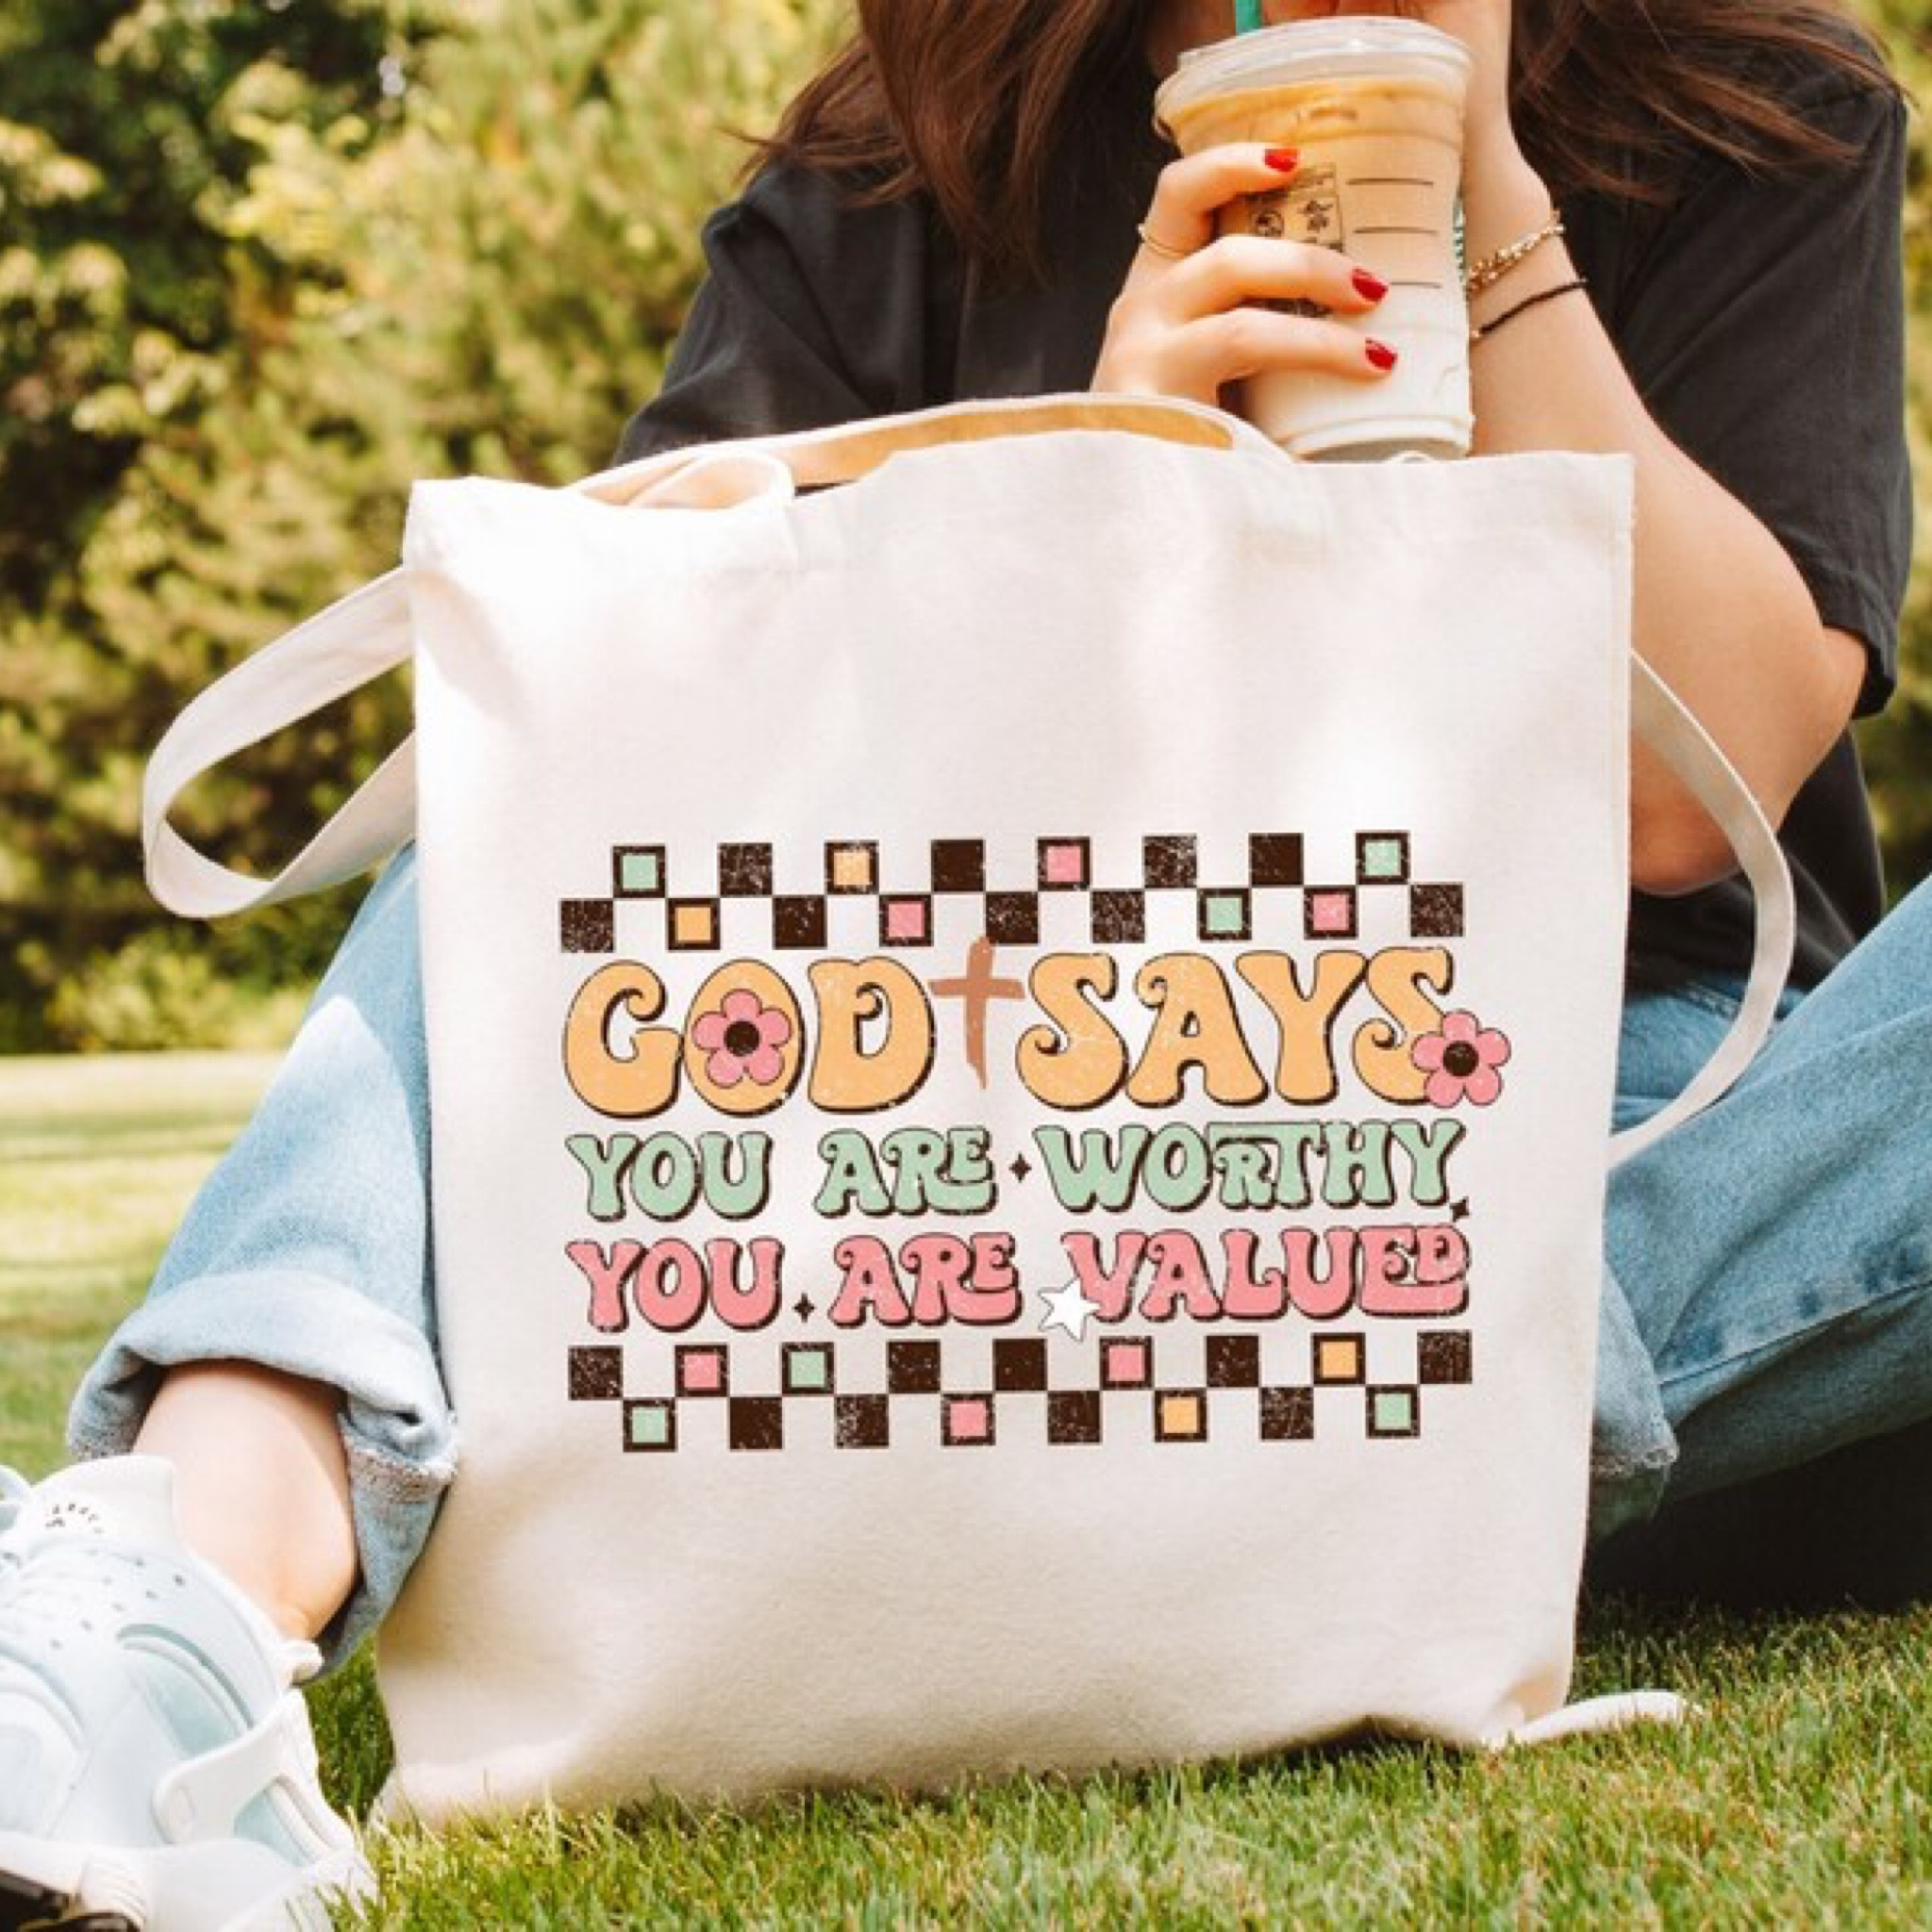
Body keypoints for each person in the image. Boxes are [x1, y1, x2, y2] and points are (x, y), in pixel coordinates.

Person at [0, 0, 1916, 1922]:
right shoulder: (892, 172)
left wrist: (1475, 179)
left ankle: (1313, 1417)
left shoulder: (1759, 110)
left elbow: (1698, 792)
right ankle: (178, 1594)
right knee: (554, 799)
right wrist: (1102, 476)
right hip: (1004, 1113)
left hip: (1607, 1108)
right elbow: (647, 780)